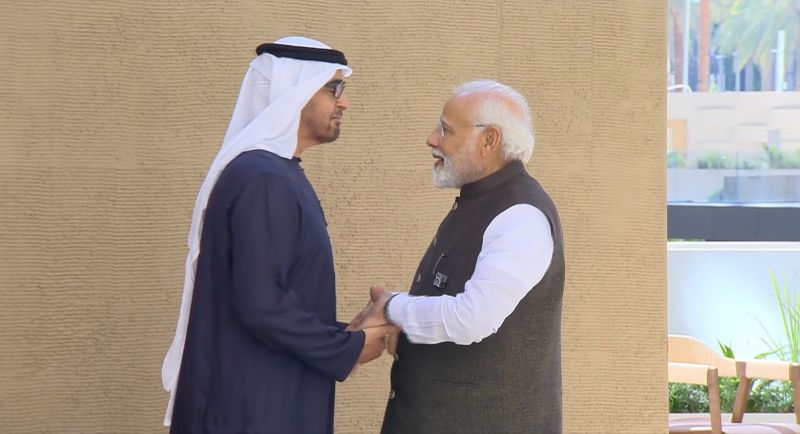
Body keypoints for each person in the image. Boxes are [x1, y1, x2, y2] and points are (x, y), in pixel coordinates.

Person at [161, 36, 394, 434]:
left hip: (264, 400)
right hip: (250, 411)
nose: (344, 102)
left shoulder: (275, 173)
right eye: (333, 88)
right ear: (293, 92)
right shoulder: (263, 179)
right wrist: (349, 347)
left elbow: (269, 297)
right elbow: (261, 303)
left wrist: (344, 332)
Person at [351, 79, 566, 433]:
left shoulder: (520, 215)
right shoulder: (481, 202)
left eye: (445, 130)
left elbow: (473, 318)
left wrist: (392, 308)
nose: (432, 139)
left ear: (489, 140)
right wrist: (406, 328)